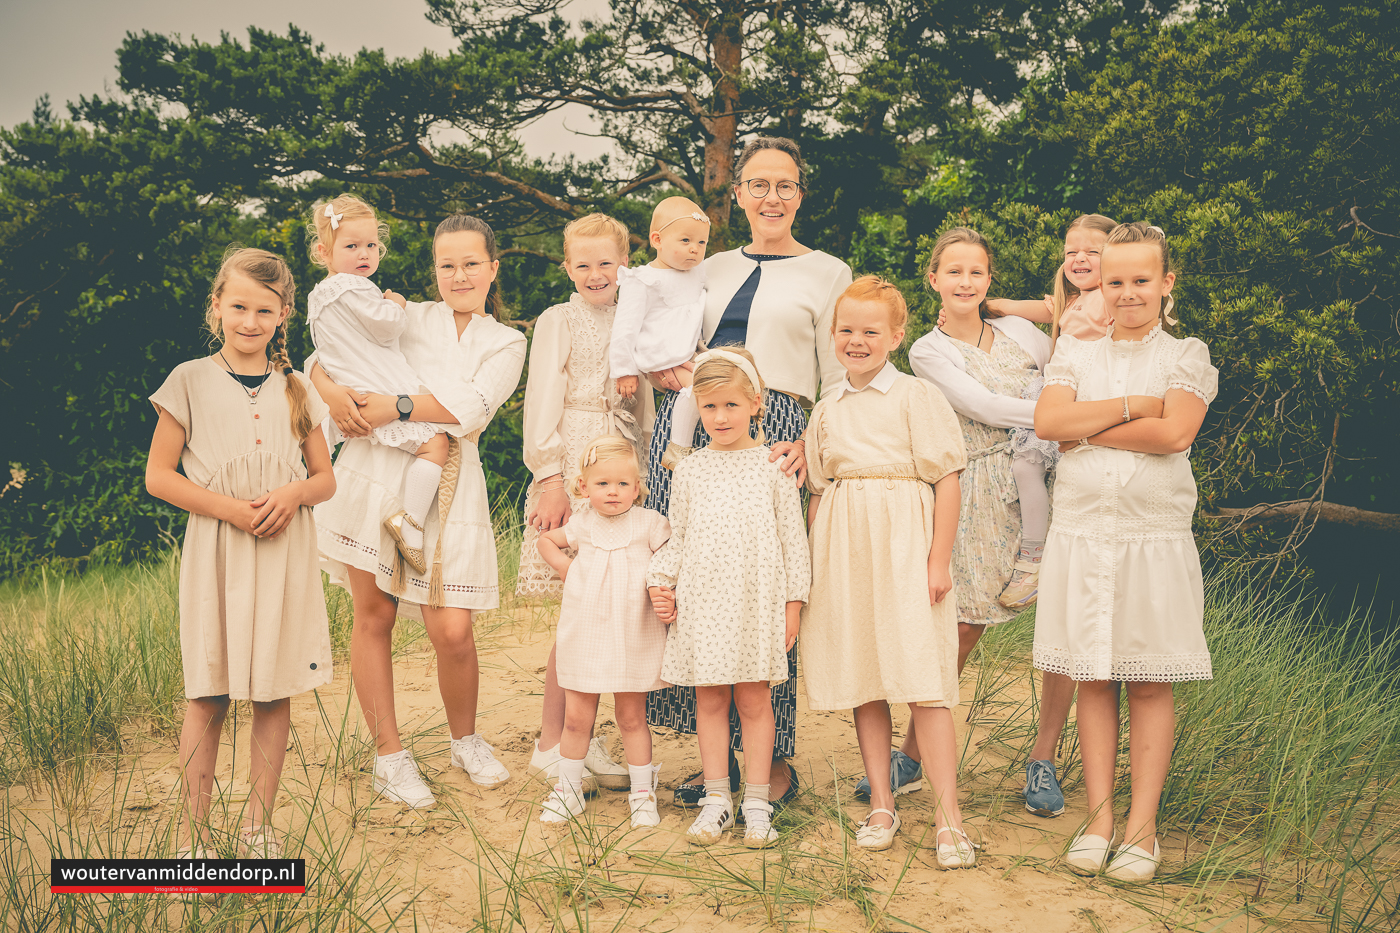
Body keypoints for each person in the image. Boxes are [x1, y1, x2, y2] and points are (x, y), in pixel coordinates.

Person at [645, 137, 852, 807]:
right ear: (736, 194)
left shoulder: (828, 271)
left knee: (766, 597)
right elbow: (660, 334)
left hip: (781, 433)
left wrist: (814, 449)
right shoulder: (703, 267)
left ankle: (773, 761)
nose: (771, 197)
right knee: (702, 594)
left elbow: (839, 376)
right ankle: (716, 766)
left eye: (784, 185)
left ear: (800, 194)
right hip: (694, 433)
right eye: (758, 185)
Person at [311, 214, 527, 808]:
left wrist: (391, 405)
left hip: (453, 476)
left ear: (492, 268)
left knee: (452, 630)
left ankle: (466, 739)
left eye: (470, 264)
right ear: (435, 270)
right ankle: (390, 756)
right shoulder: (404, 315)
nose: (458, 275)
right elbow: (329, 351)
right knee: (373, 615)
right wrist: (329, 391)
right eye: (446, 264)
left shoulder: (506, 341)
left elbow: (470, 408)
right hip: (375, 468)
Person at [1033, 222, 1217, 883]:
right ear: (1100, 285)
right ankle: (1100, 817)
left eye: (1142, 280)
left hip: (1152, 540)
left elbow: (1175, 434)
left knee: (1147, 679)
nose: (1129, 292)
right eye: (1116, 281)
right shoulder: (1074, 356)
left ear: (1166, 283)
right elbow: (1051, 424)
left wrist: (1095, 428)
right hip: (1082, 537)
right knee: (1093, 675)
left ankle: (1142, 828)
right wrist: (1135, 406)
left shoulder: (1187, 354)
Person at [873, 227, 1074, 820]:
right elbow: (981, 408)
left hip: (1057, 472)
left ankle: (1044, 758)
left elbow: (1065, 364)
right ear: (933, 278)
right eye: (953, 271)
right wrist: (1059, 416)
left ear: (989, 280)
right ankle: (913, 753)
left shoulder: (1017, 330)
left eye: (976, 272)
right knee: (961, 624)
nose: (965, 281)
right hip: (981, 484)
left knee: (1061, 627)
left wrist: (1063, 421)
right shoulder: (928, 351)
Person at [146, 247, 335, 858]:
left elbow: (324, 480)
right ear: (217, 308)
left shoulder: (298, 387)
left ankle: (257, 826)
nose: (249, 322)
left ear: (283, 315)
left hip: (284, 553)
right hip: (219, 551)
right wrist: (231, 509)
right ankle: (194, 835)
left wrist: (294, 493)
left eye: (264, 310)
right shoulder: (188, 379)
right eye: (238, 307)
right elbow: (159, 476)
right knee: (209, 687)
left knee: (272, 688)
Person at [802, 276, 976, 866]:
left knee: (924, 681)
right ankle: (882, 801)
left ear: (896, 336)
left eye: (871, 331)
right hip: (844, 549)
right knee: (864, 678)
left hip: (906, 544)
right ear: (833, 334)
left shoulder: (916, 397)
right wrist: (813, 567)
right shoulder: (826, 408)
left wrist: (938, 560)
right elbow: (819, 492)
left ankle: (950, 818)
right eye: (847, 329)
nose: (857, 340)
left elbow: (947, 479)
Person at [646, 348, 810, 848]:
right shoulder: (690, 470)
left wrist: (793, 606)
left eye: (731, 406)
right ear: (698, 408)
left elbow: (793, 540)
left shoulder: (772, 468)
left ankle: (757, 803)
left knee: (756, 699)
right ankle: (718, 800)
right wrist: (661, 582)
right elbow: (679, 536)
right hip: (703, 603)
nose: (720, 417)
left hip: (757, 603)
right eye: (710, 407)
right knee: (710, 698)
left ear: (755, 404)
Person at [517, 213, 654, 791]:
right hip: (575, 459)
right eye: (583, 263)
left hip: (627, 459)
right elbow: (541, 397)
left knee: (613, 607)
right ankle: (555, 741)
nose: (595, 273)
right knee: (579, 608)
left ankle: (583, 738)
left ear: (626, 262)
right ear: (567, 266)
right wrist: (551, 476)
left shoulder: (640, 314)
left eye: (607, 262)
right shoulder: (558, 319)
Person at [305, 194, 452, 575]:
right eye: (351, 246)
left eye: (371, 245)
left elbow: (323, 351)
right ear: (324, 251)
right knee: (435, 444)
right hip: (374, 390)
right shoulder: (355, 288)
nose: (364, 254)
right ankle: (412, 522)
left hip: (349, 390)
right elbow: (387, 327)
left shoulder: (318, 297)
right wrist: (397, 304)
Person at [979, 213, 1118, 609]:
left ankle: (1041, 561)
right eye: (1071, 251)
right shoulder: (1071, 301)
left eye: (1093, 251)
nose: (1079, 258)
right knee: (1027, 468)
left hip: (1087, 396)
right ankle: (1033, 561)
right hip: (1056, 395)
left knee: (1060, 478)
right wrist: (984, 306)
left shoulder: (1111, 297)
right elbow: (1035, 308)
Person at [534, 436, 672, 828]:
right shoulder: (581, 525)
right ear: (583, 487)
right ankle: (569, 790)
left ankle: (642, 794)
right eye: (602, 484)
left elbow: (671, 556)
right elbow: (546, 540)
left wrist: (664, 587)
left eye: (623, 484)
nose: (613, 492)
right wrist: (565, 567)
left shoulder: (650, 523)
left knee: (632, 718)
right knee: (577, 719)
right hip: (586, 633)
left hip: (632, 635)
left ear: (637, 487)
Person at [609, 197, 709, 467]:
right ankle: (679, 446)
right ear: (657, 240)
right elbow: (624, 329)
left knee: (718, 384)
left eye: (701, 243)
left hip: (689, 351)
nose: (695, 250)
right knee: (702, 391)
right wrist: (624, 370)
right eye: (686, 241)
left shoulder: (698, 272)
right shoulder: (643, 280)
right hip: (664, 354)